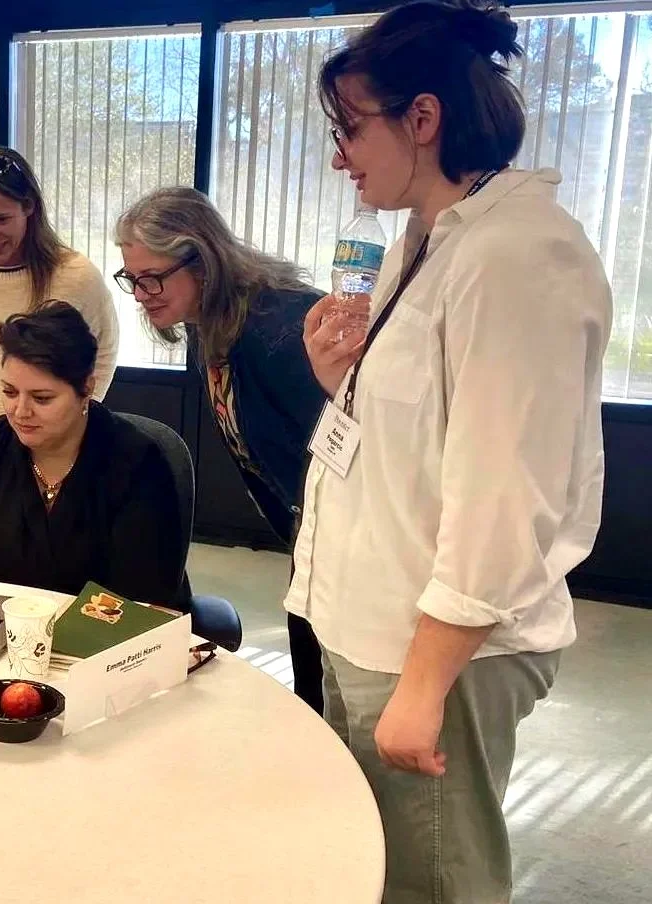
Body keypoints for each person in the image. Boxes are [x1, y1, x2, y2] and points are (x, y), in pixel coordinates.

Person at [293, 2, 612, 900]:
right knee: (378, 865)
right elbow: (432, 434)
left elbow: (506, 494)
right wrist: (338, 382)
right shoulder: (430, 236)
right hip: (372, 624)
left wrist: (427, 684)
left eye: (349, 128)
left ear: (422, 119)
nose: (338, 156)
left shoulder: (516, 255)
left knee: (433, 883)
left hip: (435, 648)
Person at [115, 187, 329, 714]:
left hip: (340, 543)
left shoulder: (280, 328)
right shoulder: (209, 324)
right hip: (309, 541)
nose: (141, 293)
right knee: (314, 689)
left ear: (203, 260)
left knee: (327, 695)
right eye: (132, 279)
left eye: (152, 278)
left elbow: (338, 453)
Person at [0, 302, 184, 610]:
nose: (20, 411)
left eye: (42, 398)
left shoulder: (136, 463)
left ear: (86, 388)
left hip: (103, 647)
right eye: (9, 392)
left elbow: (145, 602)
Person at [0, 146, 119, 461]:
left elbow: (103, 353)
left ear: (29, 207)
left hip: (46, 451)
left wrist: (70, 421)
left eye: (2, 219)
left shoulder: (76, 276)